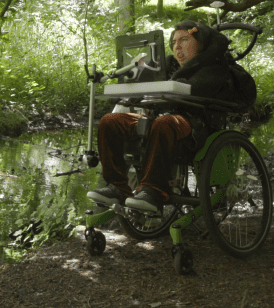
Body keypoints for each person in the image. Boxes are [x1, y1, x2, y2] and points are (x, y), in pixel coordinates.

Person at [86, 20, 256, 212]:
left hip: (196, 128)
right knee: (111, 121)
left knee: (164, 123)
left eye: (184, 40)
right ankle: (117, 186)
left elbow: (198, 90)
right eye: (174, 42)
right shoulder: (168, 67)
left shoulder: (214, 67)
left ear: (200, 43)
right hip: (162, 121)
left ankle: (154, 190)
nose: (177, 46)